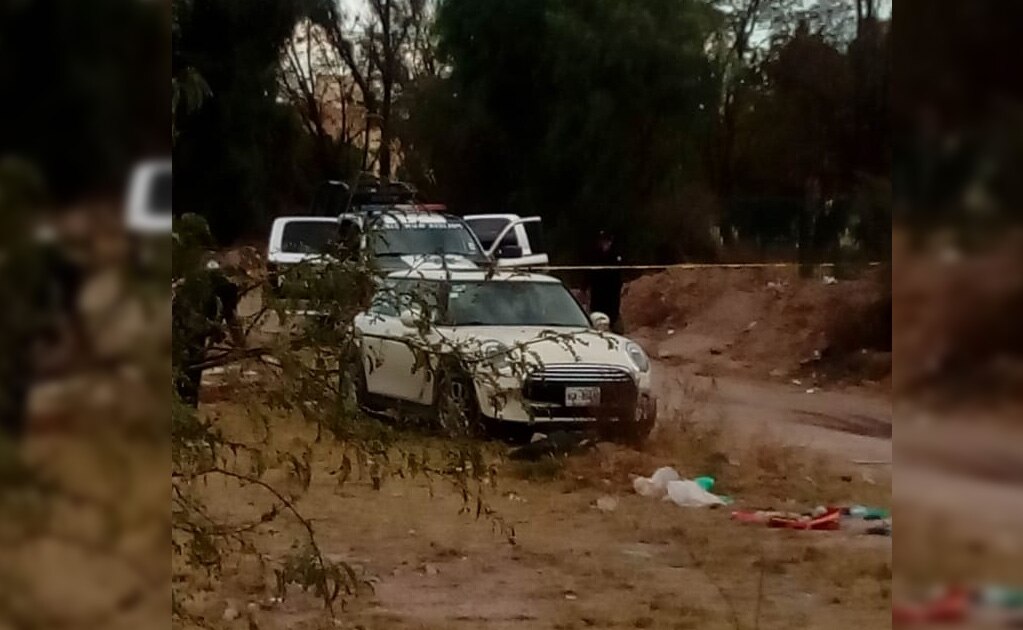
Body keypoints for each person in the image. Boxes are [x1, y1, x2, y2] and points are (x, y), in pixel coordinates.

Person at [172, 214, 242, 407]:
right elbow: (225, 293)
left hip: (187, 326)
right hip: (187, 327)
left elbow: (223, 292)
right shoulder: (199, 260)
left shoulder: (195, 259)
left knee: (186, 376)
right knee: (187, 376)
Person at [587, 230, 624, 334]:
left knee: (613, 317)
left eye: (606, 241)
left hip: (611, 294)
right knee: (596, 316)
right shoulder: (595, 255)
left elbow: (618, 276)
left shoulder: (615, 255)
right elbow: (589, 273)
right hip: (597, 293)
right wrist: (585, 287)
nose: (604, 244)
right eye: (602, 241)